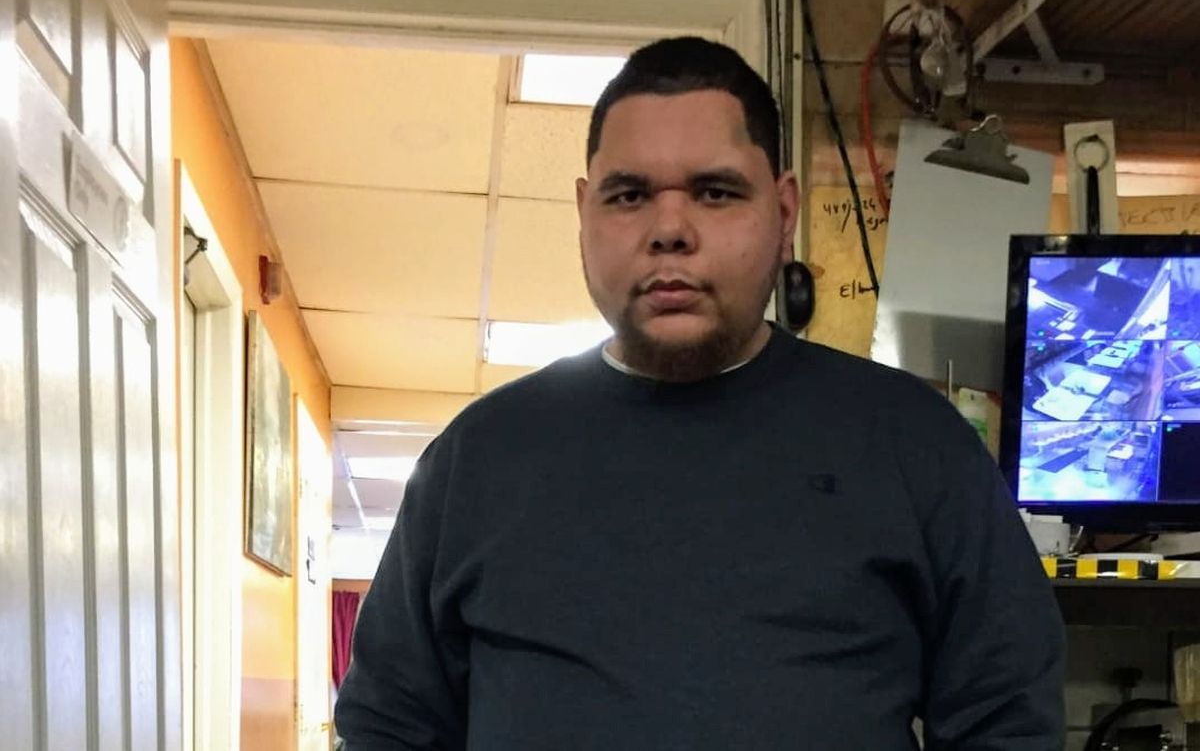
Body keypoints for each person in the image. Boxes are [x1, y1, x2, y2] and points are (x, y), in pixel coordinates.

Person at [334, 37, 1066, 749]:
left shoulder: (913, 443)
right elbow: (389, 727)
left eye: (716, 192)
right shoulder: (476, 461)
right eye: (629, 195)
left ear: (784, 213)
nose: (670, 229)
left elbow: (1006, 720)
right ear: (585, 213)